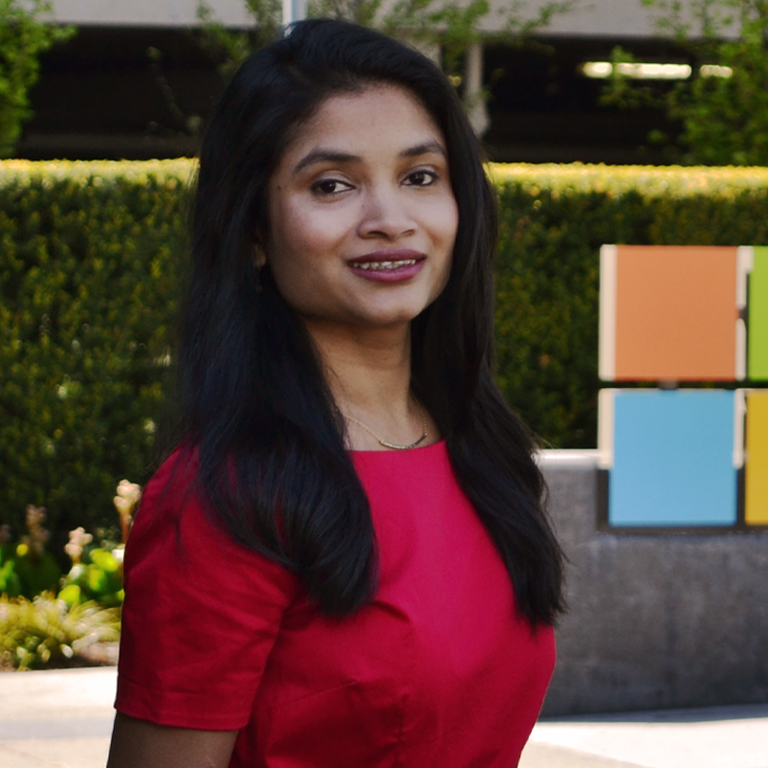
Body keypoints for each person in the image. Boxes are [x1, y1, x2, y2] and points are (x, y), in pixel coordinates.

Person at [107, 18, 565, 768]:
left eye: (421, 176)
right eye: (332, 185)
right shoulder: (227, 495)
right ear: (254, 231)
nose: (391, 221)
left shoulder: (482, 450)